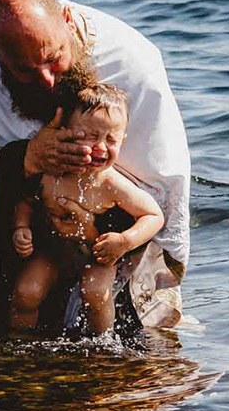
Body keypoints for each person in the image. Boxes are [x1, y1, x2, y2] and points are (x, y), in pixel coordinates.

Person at [0, 0, 189, 331]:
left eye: (53, 57)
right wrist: (26, 159)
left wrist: (102, 221)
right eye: (26, 70)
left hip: (105, 249)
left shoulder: (131, 61)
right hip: (31, 256)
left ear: (67, 21)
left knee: (111, 312)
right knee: (19, 305)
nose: (46, 79)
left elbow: (163, 186)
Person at [11, 80, 165, 335]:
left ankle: (102, 345)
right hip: (53, 251)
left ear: (123, 140)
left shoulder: (110, 184)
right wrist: (21, 227)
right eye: (91, 137)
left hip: (97, 254)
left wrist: (125, 241)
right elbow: (27, 200)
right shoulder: (50, 174)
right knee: (26, 292)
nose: (101, 147)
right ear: (66, 133)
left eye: (111, 139)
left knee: (95, 294)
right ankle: (17, 343)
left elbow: (153, 215)